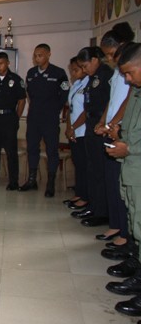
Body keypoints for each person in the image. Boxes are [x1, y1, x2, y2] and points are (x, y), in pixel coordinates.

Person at [104, 43, 141, 324]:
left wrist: (131, 148)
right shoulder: (137, 93)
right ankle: (137, 269)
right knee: (135, 220)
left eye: (130, 72)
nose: (127, 79)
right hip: (132, 168)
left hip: (136, 161)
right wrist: (119, 132)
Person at [93, 22, 135, 245]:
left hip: (122, 132)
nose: (109, 59)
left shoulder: (130, 68)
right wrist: (104, 121)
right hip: (111, 129)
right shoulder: (118, 71)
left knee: (123, 185)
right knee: (112, 181)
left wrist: (114, 122)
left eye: (111, 54)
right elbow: (113, 99)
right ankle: (117, 226)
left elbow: (128, 101)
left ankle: (125, 235)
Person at [19, 44, 69, 197]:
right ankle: (32, 180)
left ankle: (50, 183)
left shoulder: (58, 73)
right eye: (35, 55)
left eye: (40, 55)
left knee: (51, 150)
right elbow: (28, 92)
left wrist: (55, 109)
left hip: (50, 118)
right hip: (34, 117)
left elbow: (65, 93)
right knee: (32, 148)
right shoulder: (31, 73)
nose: (37, 58)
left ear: (48, 54)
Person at [76, 47, 112, 228]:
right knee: (91, 168)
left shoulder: (106, 75)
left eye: (85, 65)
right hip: (91, 124)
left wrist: (103, 121)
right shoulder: (92, 77)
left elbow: (110, 102)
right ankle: (93, 205)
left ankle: (101, 212)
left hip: (100, 124)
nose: (84, 70)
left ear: (95, 60)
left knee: (99, 170)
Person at [0, 52, 26, 190]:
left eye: (1, 63)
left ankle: (13, 181)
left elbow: (22, 100)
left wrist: (16, 117)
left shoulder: (16, 79)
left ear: (8, 63)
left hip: (9, 118)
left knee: (11, 151)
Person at [64, 57, 89, 213]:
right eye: (71, 70)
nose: (73, 73)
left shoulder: (88, 85)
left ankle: (86, 197)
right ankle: (79, 193)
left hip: (83, 131)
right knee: (78, 164)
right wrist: (69, 127)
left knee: (85, 165)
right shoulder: (76, 85)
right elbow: (70, 108)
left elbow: (87, 110)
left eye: (76, 70)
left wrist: (73, 127)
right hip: (74, 131)